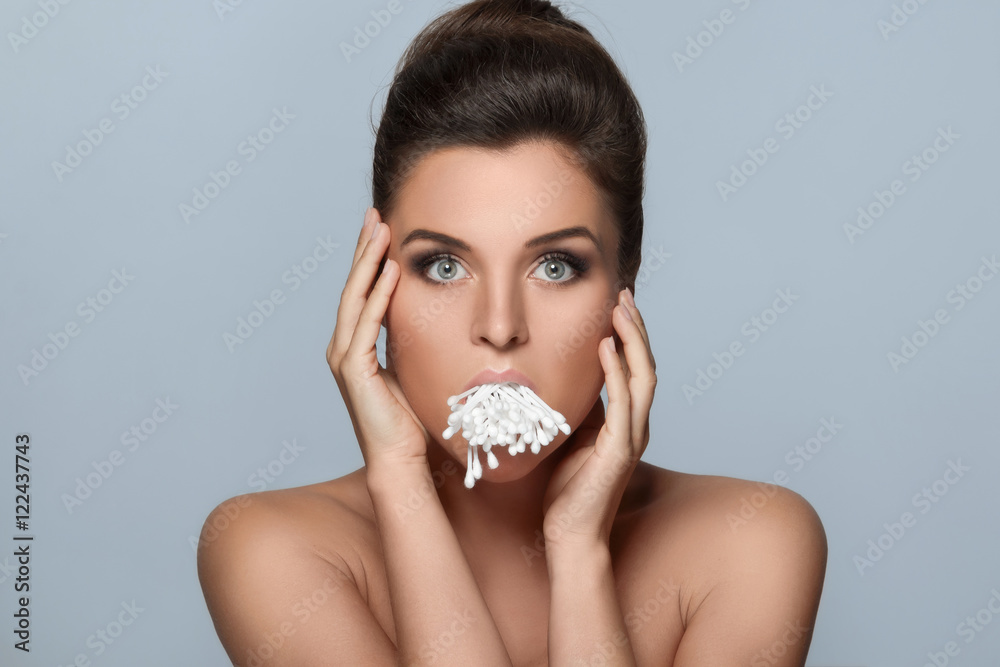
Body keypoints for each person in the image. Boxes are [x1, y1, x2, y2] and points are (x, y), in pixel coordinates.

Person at [197, 1, 827, 665]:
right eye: (444, 266)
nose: (499, 327)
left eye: (556, 266)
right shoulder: (269, 549)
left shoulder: (752, 543)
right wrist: (401, 482)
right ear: (374, 286)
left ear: (624, 284)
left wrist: (579, 552)